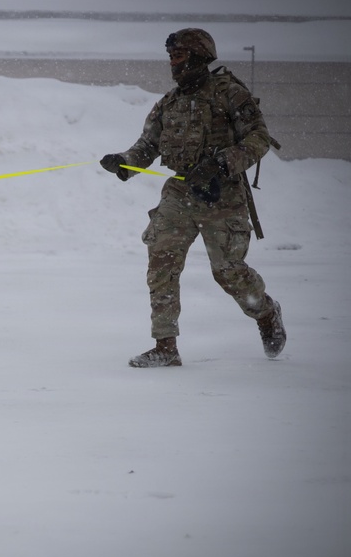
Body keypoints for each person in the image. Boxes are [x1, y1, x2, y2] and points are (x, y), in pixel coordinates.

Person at [100, 28, 286, 367]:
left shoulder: (229, 93)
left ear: (199, 57)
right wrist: (124, 162)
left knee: (228, 272)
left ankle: (266, 312)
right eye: (171, 57)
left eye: (179, 56)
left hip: (222, 194)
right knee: (162, 261)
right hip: (180, 192)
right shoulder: (169, 103)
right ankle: (165, 346)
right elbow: (148, 145)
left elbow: (259, 138)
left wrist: (220, 164)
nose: (173, 63)